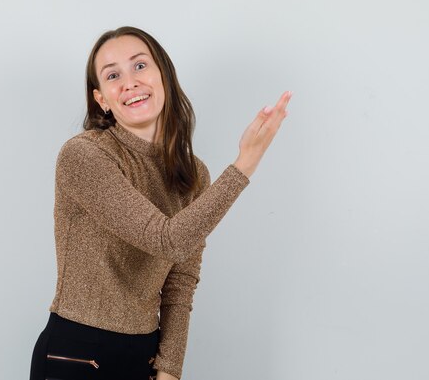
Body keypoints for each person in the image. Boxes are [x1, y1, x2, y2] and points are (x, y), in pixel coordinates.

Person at [30, 26, 292, 380]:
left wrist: (169, 369)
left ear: (163, 77)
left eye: (140, 66)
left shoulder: (194, 174)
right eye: (112, 75)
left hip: (143, 355)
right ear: (102, 100)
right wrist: (244, 165)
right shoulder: (84, 155)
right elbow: (165, 239)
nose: (129, 82)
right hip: (77, 354)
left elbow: (180, 282)